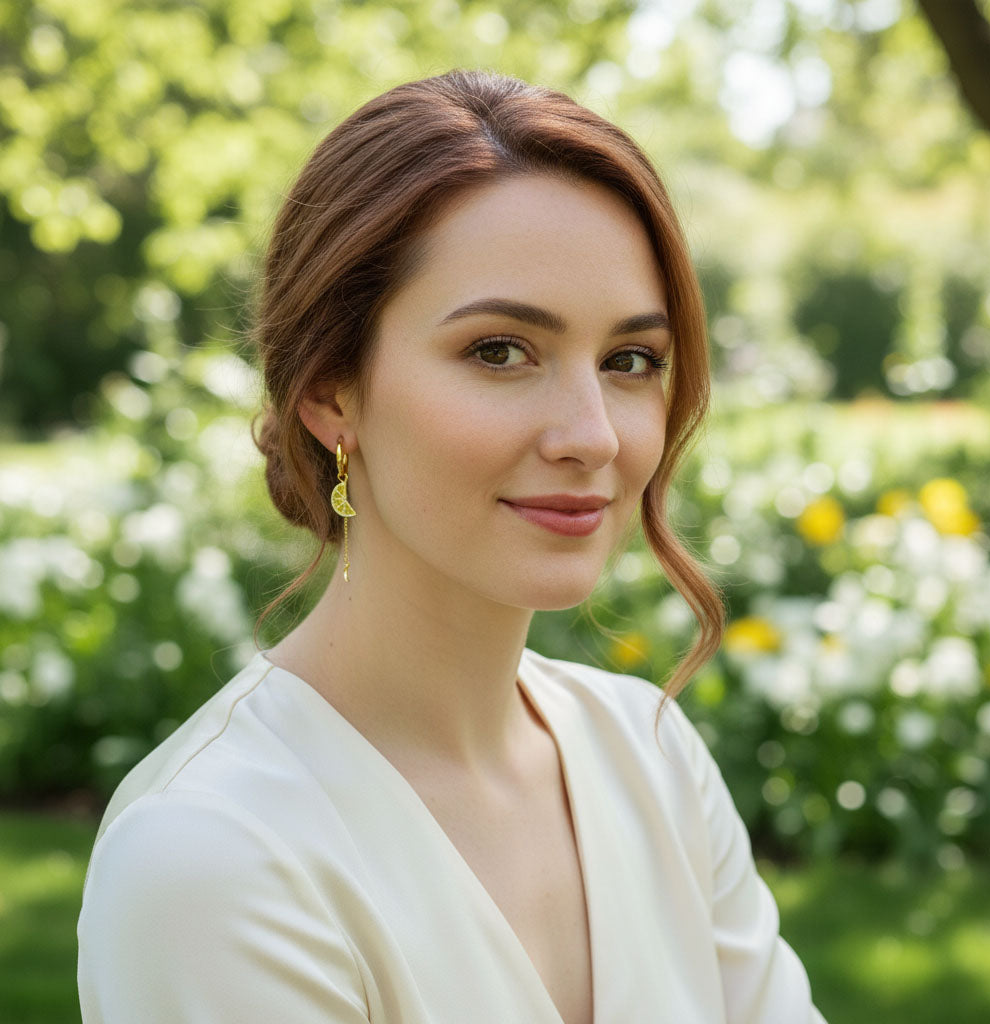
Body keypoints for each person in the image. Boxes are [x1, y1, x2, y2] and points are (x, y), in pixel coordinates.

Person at [78, 70, 826, 1023]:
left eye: (629, 360)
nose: (592, 434)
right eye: (500, 351)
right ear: (330, 391)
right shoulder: (212, 853)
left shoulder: (650, 756)